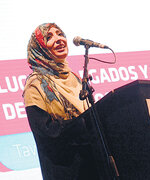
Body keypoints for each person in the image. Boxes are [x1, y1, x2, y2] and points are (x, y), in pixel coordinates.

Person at [23, 23, 99, 180]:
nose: (58, 39)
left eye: (60, 34)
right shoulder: (35, 84)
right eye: (49, 37)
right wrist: (81, 126)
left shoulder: (75, 78)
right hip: (67, 170)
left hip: (93, 161)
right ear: (39, 48)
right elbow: (47, 132)